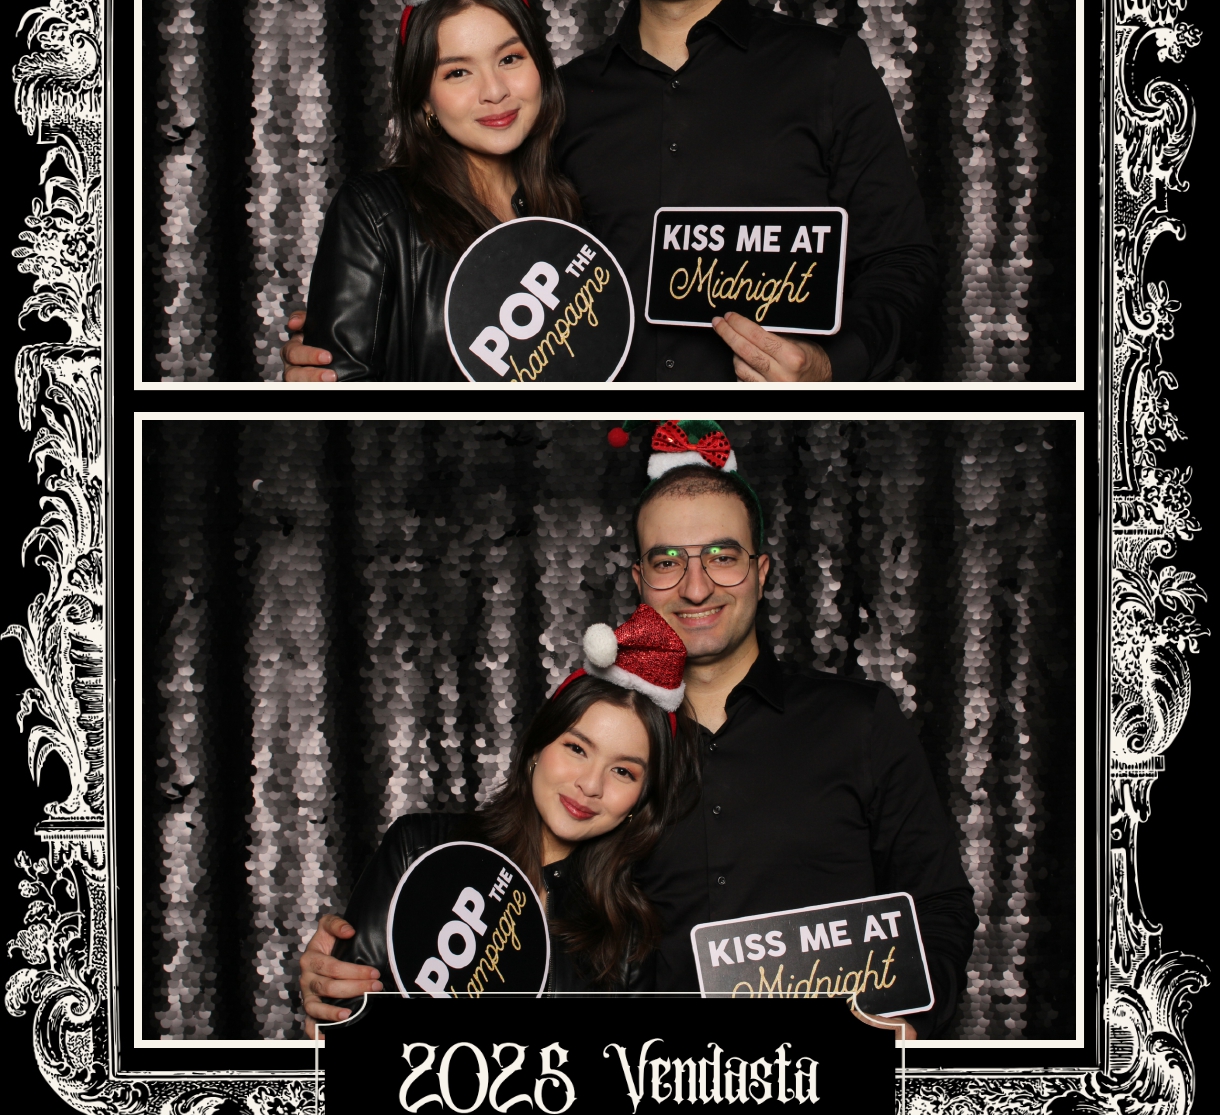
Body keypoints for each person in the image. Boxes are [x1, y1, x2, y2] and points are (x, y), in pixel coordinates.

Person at [301, 419, 977, 1038]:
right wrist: (358, 968)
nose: (696, 587)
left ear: (762, 571)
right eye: (667, 560)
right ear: (639, 578)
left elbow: (941, 904)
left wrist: (909, 1014)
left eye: (723, 556)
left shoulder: (859, 720)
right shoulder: (608, 746)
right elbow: (513, 919)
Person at [281, 0, 937, 385]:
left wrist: (830, 366)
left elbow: (902, 264)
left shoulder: (827, 69)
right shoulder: (557, 105)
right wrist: (358, 343)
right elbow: (490, 276)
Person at [299, 606, 695, 1032]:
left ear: (640, 800)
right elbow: (340, 1022)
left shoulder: (629, 939)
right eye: (577, 748)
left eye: (623, 772)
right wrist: (328, 1002)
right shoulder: (419, 849)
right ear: (538, 748)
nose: (590, 784)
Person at [298, 0, 579, 379]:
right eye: (458, 72)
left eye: (510, 59)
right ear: (425, 98)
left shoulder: (571, 203)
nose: (494, 91)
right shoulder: (374, 215)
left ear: (540, 66)